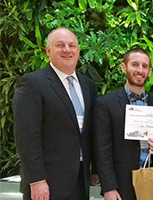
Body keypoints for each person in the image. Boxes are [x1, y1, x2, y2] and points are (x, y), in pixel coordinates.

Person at [13, 27, 98, 200]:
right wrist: (36, 180)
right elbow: (27, 136)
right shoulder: (33, 84)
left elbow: (90, 132)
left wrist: (95, 169)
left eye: (71, 45)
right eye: (60, 45)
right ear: (48, 51)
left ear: (78, 50)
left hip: (80, 181)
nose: (67, 50)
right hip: (47, 184)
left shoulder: (89, 86)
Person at [93, 48, 153, 200]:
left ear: (150, 71)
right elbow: (101, 149)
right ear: (123, 67)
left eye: (144, 66)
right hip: (121, 184)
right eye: (135, 64)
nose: (140, 70)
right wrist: (108, 187)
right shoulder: (106, 104)